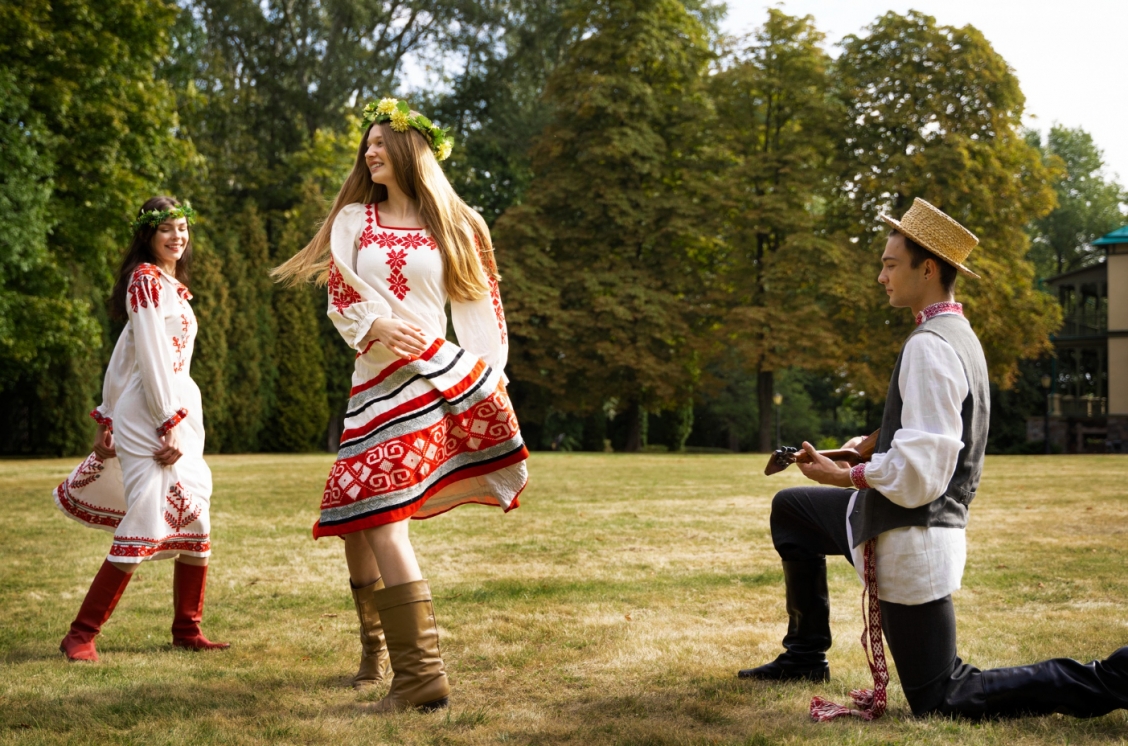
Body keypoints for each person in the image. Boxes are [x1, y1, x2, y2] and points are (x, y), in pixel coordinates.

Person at [740, 198, 1128, 720]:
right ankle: (805, 656)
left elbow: (922, 474)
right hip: (906, 525)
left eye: (889, 264)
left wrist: (845, 474)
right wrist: (874, 443)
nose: (880, 275)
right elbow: (937, 430)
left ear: (928, 268)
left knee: (944, 697)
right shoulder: (958, 335)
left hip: (912, 536)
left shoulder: (930, 345)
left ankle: (1113, 679)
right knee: (792, 511)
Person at [273, 98, 528, 713]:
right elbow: (341, 297)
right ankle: (376, 650)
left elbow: (480, 309)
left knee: (384, 518)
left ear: (414, 150)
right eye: (368, 143)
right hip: (371, 384)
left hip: (432, 383)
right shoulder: (354, 222)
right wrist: (378, 326)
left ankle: (421, 678)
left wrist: (489, 382)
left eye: (383, 141)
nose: (371, 151)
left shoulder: (460, 224)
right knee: (357, 523)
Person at [55, 196, 228, 661]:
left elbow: (123, 353)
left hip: (176, 407)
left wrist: (113, 414)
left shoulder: (169, 285)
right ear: (148, 236)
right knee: (148, 515)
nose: (178, 237)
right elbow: (146, 357)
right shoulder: (145, 282)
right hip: (151, 412)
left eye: (183, 228)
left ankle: (187, 629)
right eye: (166, 229)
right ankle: (80, 634)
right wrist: (159, 419)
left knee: (197, 513)